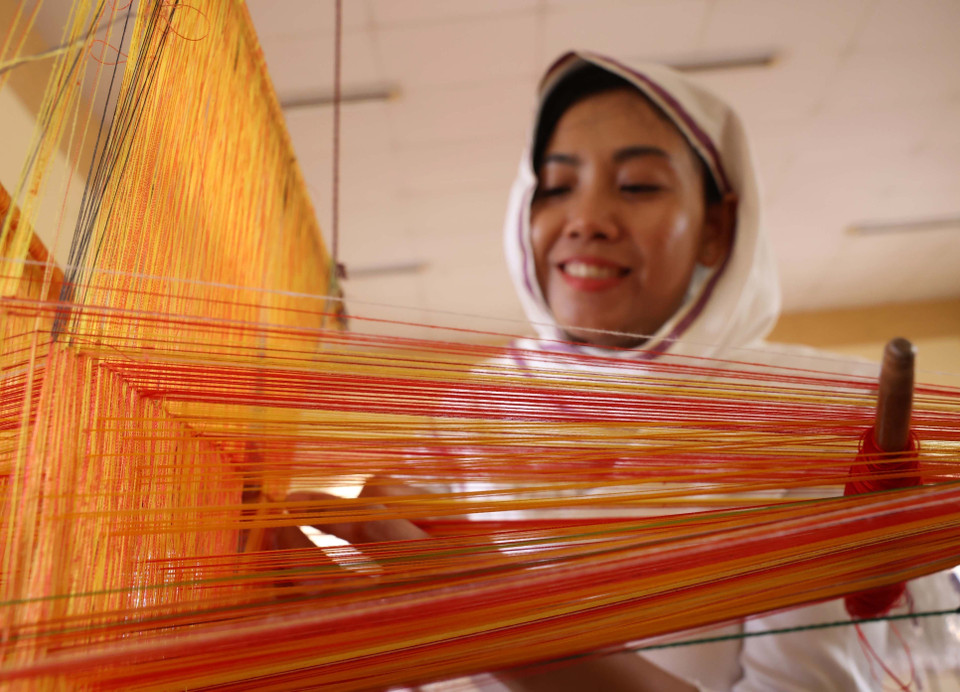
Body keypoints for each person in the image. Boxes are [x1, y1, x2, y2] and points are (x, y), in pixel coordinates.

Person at [272, 51, 959, 691]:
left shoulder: (820, 424)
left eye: (636, 185)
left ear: (718, 227)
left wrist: (500, 621)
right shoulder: (473, 413)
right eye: (556, 186)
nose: (587, 219)